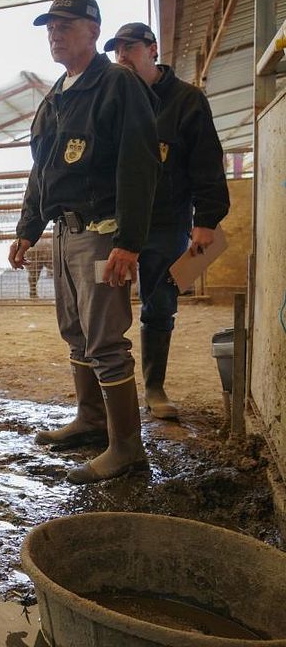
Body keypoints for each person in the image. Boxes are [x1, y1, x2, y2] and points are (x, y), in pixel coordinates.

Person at [8, 0, 160, 484]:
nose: (55, 33)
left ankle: (127, 449)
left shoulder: (116, 84)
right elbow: (42, 172)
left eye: (66, 25)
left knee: (106, 340)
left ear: (94, 31)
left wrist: (130, 241)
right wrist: (28, 229)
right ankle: (92, 419)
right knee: (76, 332)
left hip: (104, 233)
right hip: (66, 231)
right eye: (51, 27)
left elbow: (138, 165)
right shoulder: (58, 94)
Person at [106, 22, 230, 420]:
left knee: (159, 304)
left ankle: (154, 388)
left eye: (130, 48)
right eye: (117, 50)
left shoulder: (185, 100)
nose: (122, 56)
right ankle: (106, 393)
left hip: (164, 221)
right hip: (115, 223)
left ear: (152, 49)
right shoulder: (113, 97)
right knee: (104, 307)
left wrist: (206, 219)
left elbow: (207, 161)